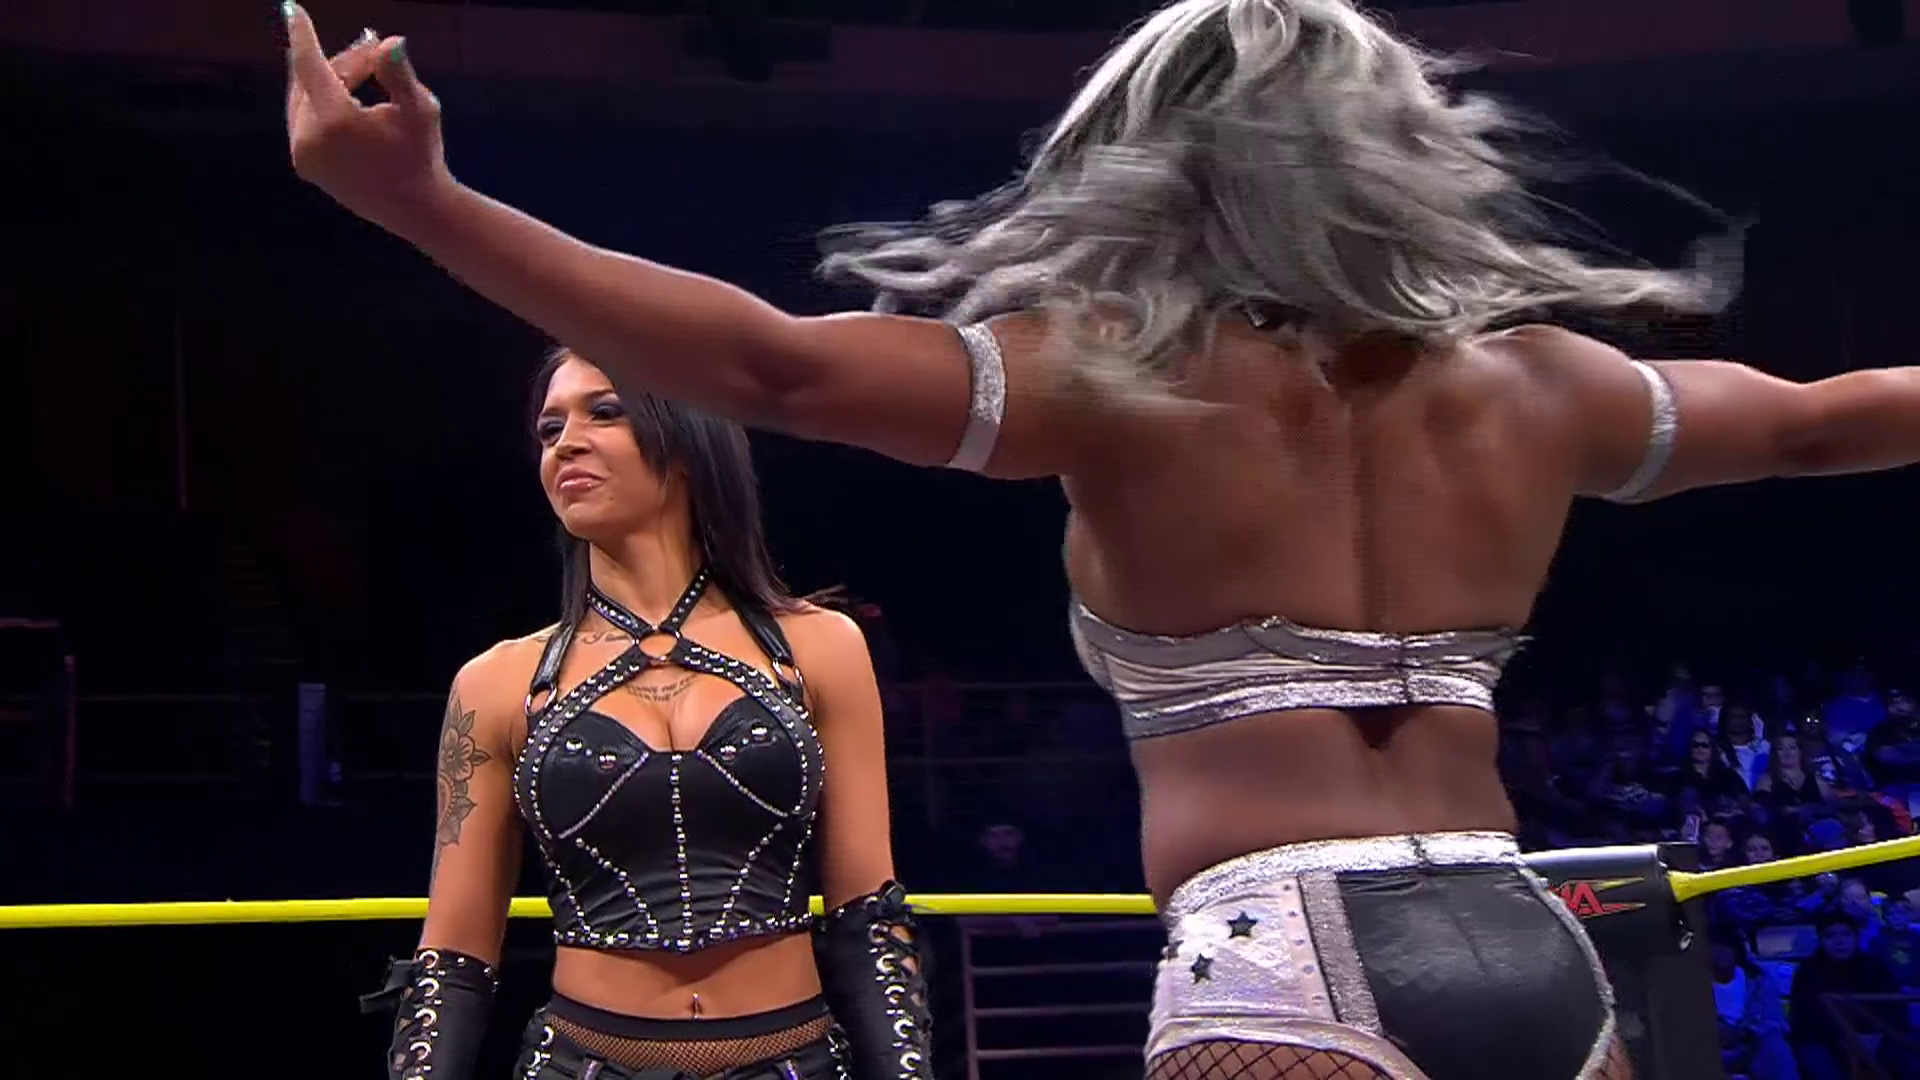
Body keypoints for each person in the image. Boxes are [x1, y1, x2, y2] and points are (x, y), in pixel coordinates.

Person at [283, 1, 1920, 1076]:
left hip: (1286, 959)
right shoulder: (1544, 386)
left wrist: (422, 202)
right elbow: (1820, 420)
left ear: (1165, 163)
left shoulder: (1123, 379)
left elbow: (770, 367)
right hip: (1532, 940)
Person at [359, 348, 931, 1079]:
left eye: (604, 412)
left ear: (688, 438)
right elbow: (455, 956)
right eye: (549, 429)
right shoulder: (496, 684)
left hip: (794, 1061)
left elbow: (867, 915)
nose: (566, 443)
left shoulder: (820, 648)